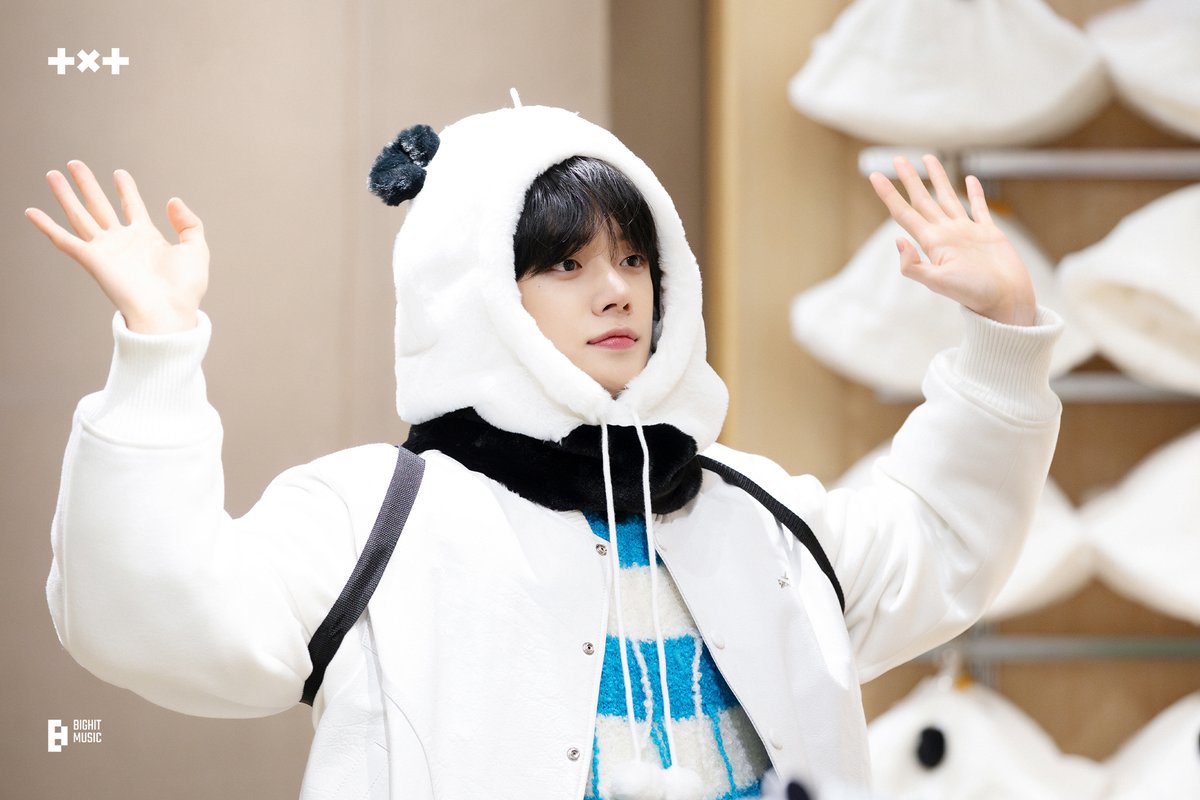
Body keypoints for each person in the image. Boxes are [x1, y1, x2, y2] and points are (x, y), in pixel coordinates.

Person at [26, 99, 1061, 800]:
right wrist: (157, 349)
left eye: (633, 257)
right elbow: (150, 616)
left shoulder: (755, 509)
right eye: (564, 263)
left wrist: (1006, 330)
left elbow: (940, 539)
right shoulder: (378, 517)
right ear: (480, 291)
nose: (615, 291)